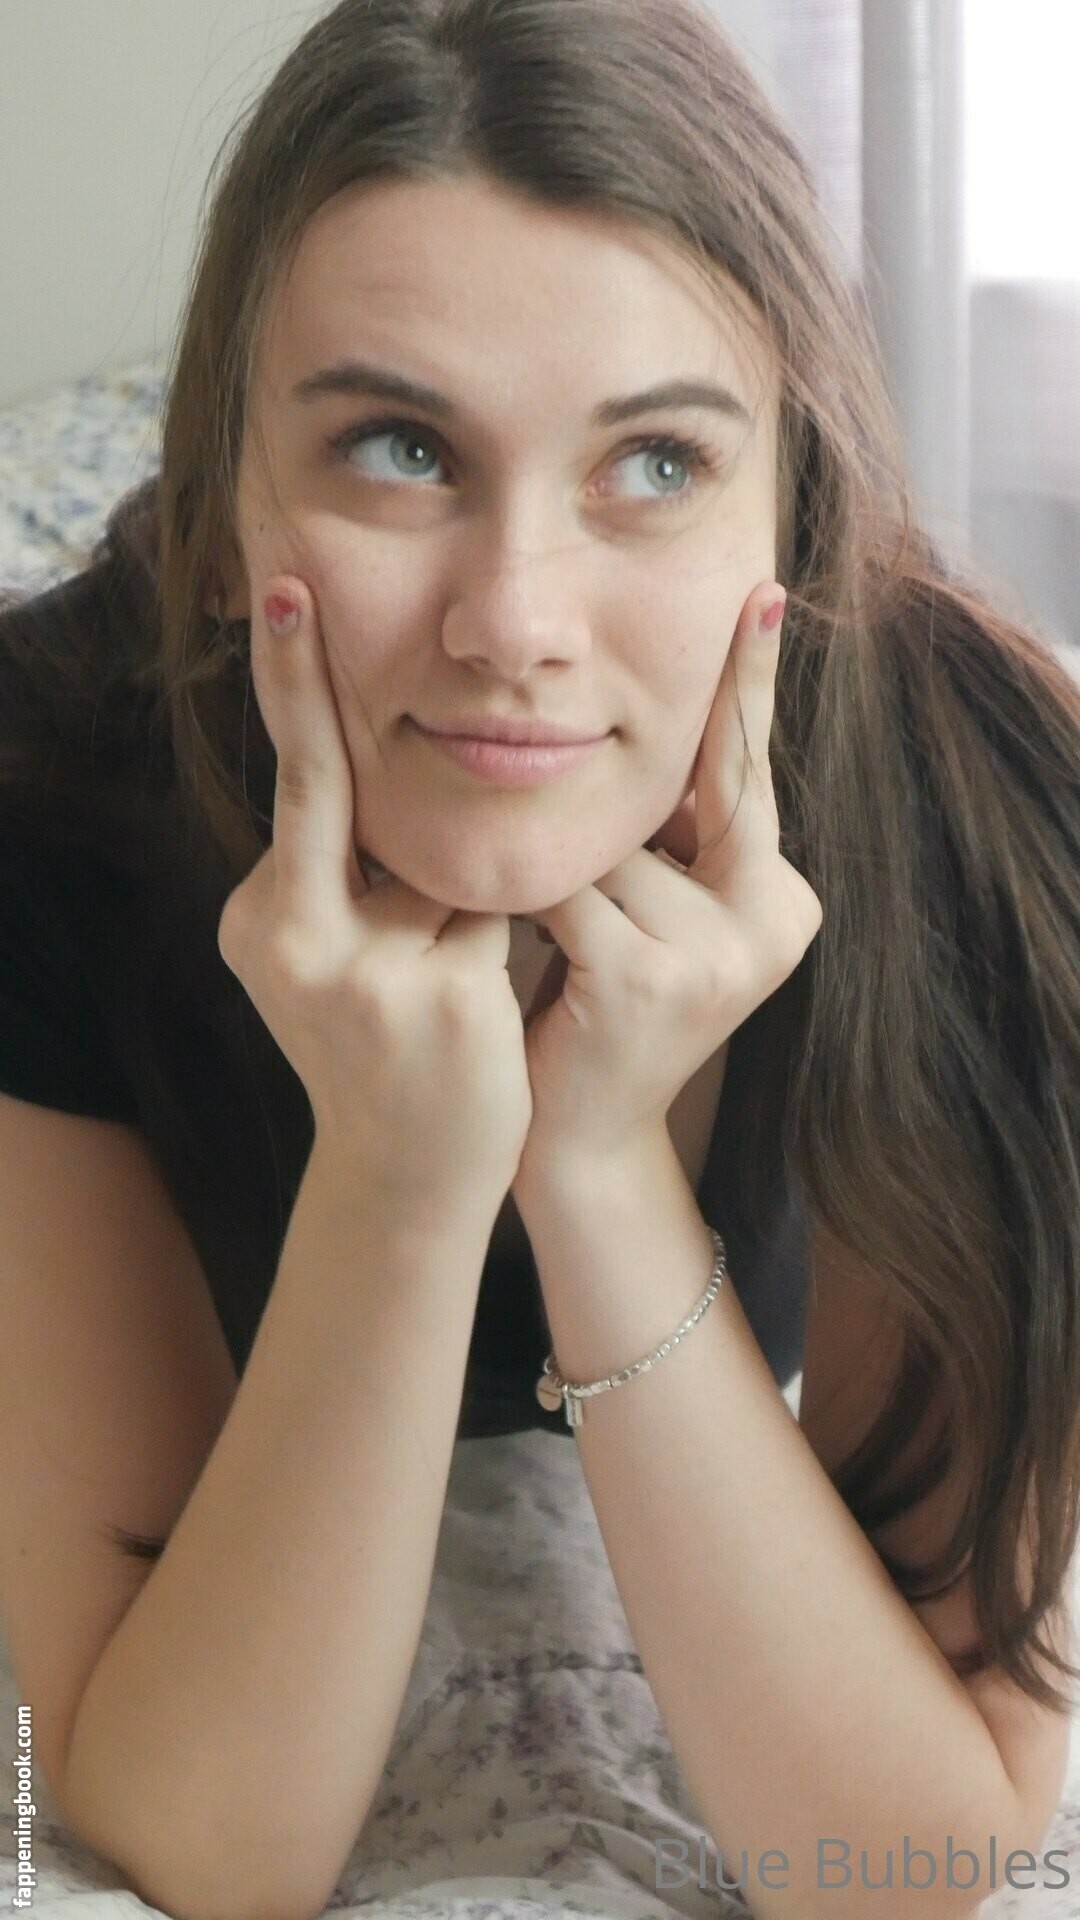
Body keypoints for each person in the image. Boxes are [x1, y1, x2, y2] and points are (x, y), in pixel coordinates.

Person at [0, 0, 1078, 1915]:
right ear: (226, 499)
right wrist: (401, 1179)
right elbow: (204, 1838)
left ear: (795, 513)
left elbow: (902, 1856)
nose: (513, 622)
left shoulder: (990, 815)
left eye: (653, 464)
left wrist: (596, 1166)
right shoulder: (44, 790)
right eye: (398, 447)